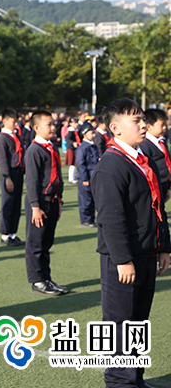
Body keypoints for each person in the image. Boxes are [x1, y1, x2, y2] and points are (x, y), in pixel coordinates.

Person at [92, 99, 170, 388]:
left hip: (147, 253)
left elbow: (158, 208)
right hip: (123, 260)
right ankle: (119, 382)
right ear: (115, 128)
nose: (143, 125)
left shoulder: (142, 159)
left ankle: (134, 378)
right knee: (120, 323)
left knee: (138, 322)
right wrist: (123, 259)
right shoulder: (111, 165)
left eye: (142, 119)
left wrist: (164, 247)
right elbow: (110, 218)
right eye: (135, 121)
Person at [24, 110, 68, 296]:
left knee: (46, 242)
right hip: (39, 202)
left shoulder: (52, 147)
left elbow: (57, 176)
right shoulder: (34, 150)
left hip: (52, 201)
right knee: (36, 242)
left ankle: (46, 278)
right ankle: (37, 280)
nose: (53, 128)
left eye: (53, 124)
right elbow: (32, 181)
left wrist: (59, 200)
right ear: (36, 128)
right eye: (48, 125)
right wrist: (35, 206)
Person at [0, 109, 25, 246]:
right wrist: (7, 177)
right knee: (7, 204)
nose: (16, 124)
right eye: (13, 121)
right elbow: (2, 160)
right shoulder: (2, 138)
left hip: (18, 172)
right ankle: (5, 235)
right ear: (5, 121)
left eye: (17, 121)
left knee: (16, 205)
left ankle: (13, 233)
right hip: (9, 173)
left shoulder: (16, 136)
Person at [139, 109, 171, 202]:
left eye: (165, 125)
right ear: (149, 126)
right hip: (154, 186)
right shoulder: (145, 145)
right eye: (162, 125)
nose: (165, 128)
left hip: (164, 184)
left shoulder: (162, 141)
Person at [74, 123, 99, 227]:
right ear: (84, 134)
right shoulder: (82, 148)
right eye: (91, 133)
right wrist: (84, 178)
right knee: (85, 200)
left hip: (94, 176)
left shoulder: (93, 146)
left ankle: (91, 218)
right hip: (87, 177)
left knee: (93, 199)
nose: (94, 135)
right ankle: (86, 219)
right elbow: (81, 164)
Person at [65, 117, 80, 184]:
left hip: (75, 148)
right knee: (72, 164)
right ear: (71, 123)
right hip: (71, 149)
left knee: (75, 164)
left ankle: (73, 177)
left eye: (77, 123)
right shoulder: (70, 131)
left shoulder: (76, 131)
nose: (76, 124)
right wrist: (73, 143)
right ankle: (71, 178)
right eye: (74, 123)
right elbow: (68, 139)